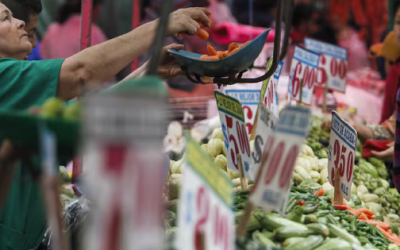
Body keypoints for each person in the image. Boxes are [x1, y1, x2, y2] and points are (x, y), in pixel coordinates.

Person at [0, 4, 211, 249]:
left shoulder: (21, 86)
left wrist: (148, 72)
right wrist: (161, 26)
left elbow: (82, 118)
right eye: (6, 18)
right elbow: (81, 72)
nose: (20, 23)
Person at [40, 0, 106, 59]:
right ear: (91, 8)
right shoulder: (93, 32)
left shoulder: (52, 30)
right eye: (99, 7)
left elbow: (44, 56)